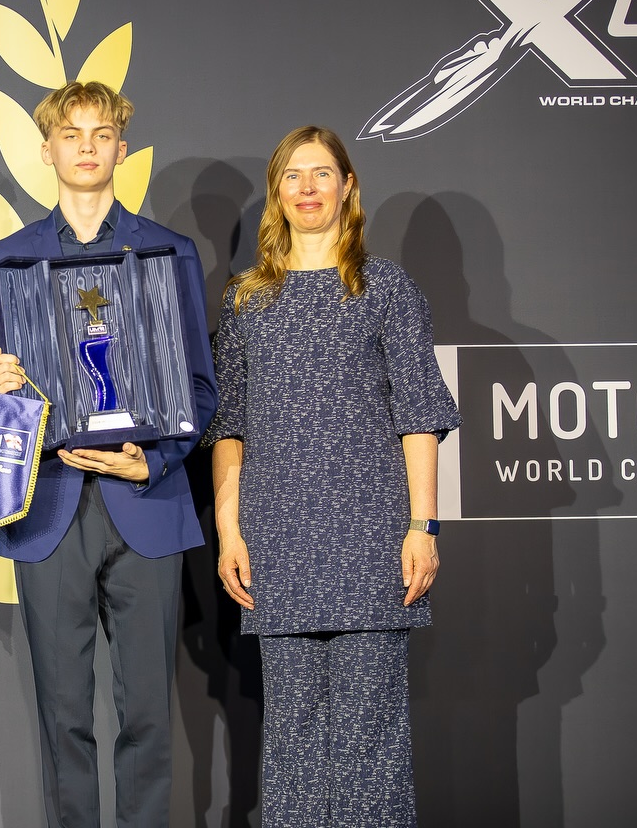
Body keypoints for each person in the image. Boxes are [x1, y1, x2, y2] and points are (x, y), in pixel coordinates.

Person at [207, 126, 461, 827]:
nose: (309, 187)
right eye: (294, 175)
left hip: (372, 546)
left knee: (369, 747)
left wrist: (423, 525)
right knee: (290, 747)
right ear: (277, 193)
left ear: (348, 186)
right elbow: (228, 427)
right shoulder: (244, 301)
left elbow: (420, 414)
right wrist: (230, 531)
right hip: (276, 548)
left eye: (322, 173)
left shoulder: (385, 288)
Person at [0, 81, 217, 828]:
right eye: (72, 133)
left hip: (147, 504)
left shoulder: (167, 249)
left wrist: (158, 461)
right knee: (63, 722)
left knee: (149, 715)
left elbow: (201, 389)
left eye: (102, 131)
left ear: (122, 145)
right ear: (46, 149)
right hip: (48, 508)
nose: (87, 145)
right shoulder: (6, 260)